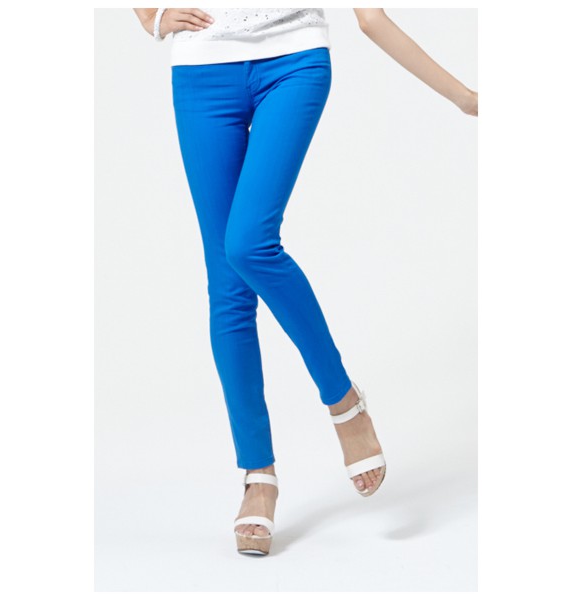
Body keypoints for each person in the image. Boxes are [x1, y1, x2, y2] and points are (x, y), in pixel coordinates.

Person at [132, 7, 478, 555]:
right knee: (227, 285)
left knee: (248, 243)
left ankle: (344, 403)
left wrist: (466, 98)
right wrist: (150, 16)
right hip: (201, 72)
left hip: (293, 61)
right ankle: (258, 476)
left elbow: (370, 17)